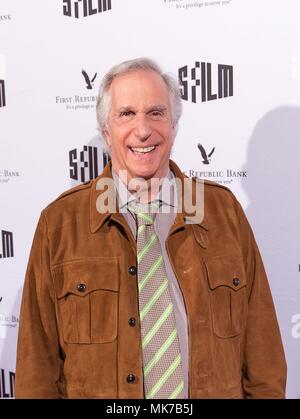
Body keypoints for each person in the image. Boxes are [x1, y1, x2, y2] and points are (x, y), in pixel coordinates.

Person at [15, 58, 287, 399]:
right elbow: (35, 370)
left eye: (156, 113)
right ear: (107, 132)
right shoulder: (60, 224)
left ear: (173, 126)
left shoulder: (222, 212)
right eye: (126, 114)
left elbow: (264, 357)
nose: (143, 130)